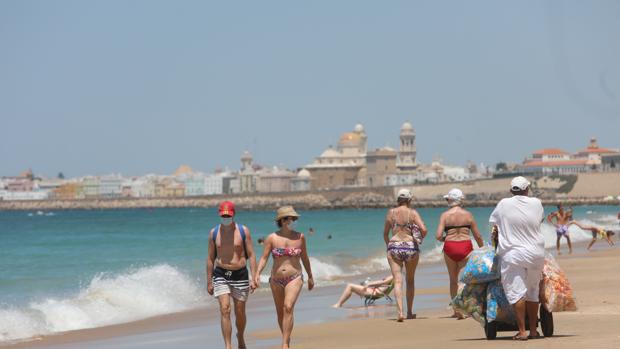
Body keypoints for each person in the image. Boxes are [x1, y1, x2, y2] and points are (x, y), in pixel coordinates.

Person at [489, 176, 545, 341]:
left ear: (511, 190)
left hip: (514, 254)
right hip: (536, 253)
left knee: (517, 292)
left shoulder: (503, 204)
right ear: (527, 189)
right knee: (533, 291)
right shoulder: (536, 203)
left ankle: (522, 331)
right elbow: (538, 221)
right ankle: (534, 331)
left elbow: (494, 224)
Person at [254, 206, 314, 349]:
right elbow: (264, 258)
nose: (292, 221)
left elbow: (304, 257)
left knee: (288, 307)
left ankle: (284, 344)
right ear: (281, 220)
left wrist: (310, 276)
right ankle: (286, 338)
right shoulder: (272, 238)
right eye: (288, 218)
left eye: (293, 218)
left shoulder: (300, 237)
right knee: (280, 312)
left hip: (294, 277)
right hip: (275, 280)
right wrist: (256, 274)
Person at [207, 201, 257, 349]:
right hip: (221, 273)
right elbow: (210, 258)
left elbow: (252, 255)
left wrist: (254, 277)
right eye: (223, 215)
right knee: (225, 309)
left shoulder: (243, 231)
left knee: (240, 311)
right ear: (219, 215)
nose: (226, 217)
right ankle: (228, 346)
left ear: (233, 214)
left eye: (228, 215)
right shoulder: (214, 233)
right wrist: (209, 281)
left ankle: (240, 336)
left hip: (240, 274)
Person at [435, 188, 484, 319]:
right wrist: (483, 250)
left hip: (450, 247)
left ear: (451, 200)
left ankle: (456, 311)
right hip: (466, 247)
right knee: (466, 279)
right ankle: (466, 306)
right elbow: (478, 235)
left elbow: (438, 236)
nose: (447, 201)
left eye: (447, 199)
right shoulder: (468, 215)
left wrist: (446, 239)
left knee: (453, 280)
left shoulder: (445, 216)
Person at [383, 188, 427, 322]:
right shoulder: (412, 213)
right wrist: (418, 240)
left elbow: (385, 233)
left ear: (398, 200)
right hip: (410, 247)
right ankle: (409, 312)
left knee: (397, 280)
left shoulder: (391, 213)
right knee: (410, 280)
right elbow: (424, 230)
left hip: (394, 246)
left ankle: (399, 312)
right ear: (409, 200)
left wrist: (389, 246)